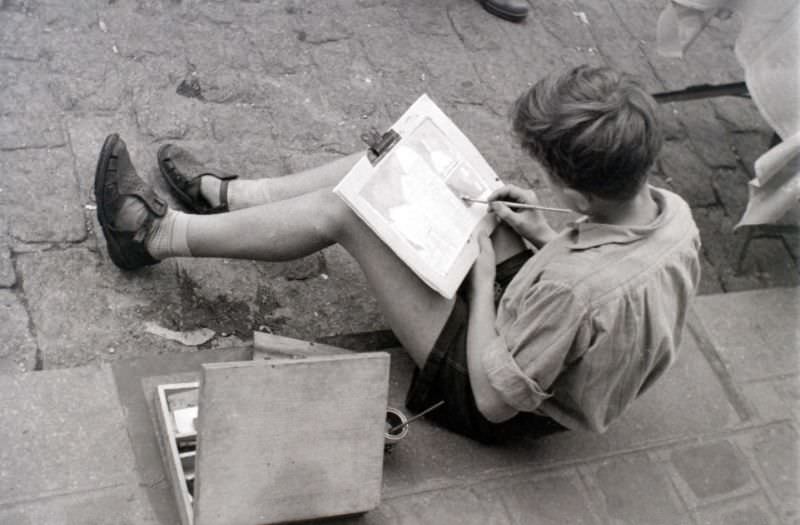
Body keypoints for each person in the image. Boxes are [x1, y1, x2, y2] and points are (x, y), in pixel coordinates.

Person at [94, 65, 700, 444]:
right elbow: (602, 277)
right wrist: (541, 231)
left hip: (494, 390)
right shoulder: (670, 212)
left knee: (347, 212)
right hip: (543, 312)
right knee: (399, 160)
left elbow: (493, 398)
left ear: (576, 190)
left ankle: (153, 237)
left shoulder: (574, 291)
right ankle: (237, 198)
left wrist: (485, 281)